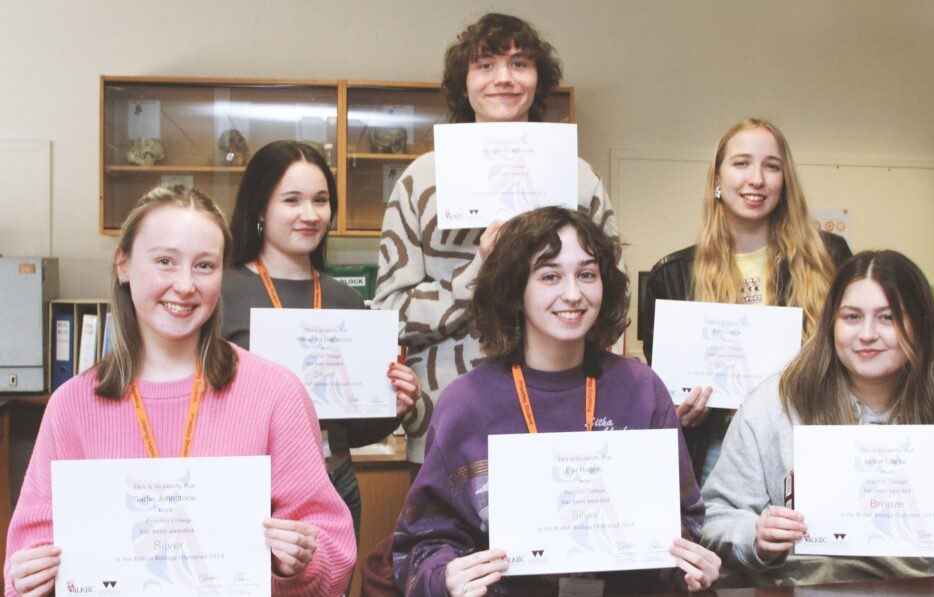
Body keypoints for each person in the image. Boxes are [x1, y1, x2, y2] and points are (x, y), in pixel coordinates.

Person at [4, 186, 355, 596]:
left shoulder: (276, 394)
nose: (186, 285)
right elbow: (29, 554)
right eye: (165, 262)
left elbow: (334, 553)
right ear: (123, 264)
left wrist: (298, 562)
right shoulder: (72, 405)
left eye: (204, 266)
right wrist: (29, 581)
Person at [392, 207, 720, 596]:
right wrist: (444, 577)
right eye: (550, 276)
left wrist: (690, 567)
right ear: (515, 290)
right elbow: (420, 543)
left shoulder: (641, 389)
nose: (573, 294)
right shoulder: (466, 403)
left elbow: (684, 520)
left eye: (587, 274)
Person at [373, 13, 620, 469]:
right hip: (448, 426)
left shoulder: (579, 180)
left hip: (566, 426)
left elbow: (612, 305)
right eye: (485, 65)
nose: (503, 78)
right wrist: (477, 273)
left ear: (538, 81)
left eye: (519, 63)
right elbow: (388, 317)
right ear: (463, 84)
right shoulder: (420, 181)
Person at [700, 250, 934, 585]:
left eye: (888, 318)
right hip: (804, 588)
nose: (867, 334)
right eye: (852, 317)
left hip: (921, 589)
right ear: (831, 323)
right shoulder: (774, 405)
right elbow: (714, 521)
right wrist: (755, 536)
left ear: (921, 325)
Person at [222, 140, 421, 542]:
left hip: (335, 484)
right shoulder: (223, 292)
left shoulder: (346, 300)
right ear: (260, 208)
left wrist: (394, 406)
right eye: (291, 200)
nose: (310, 215)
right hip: (253, 494)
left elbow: (353, 428)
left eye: (320, 200)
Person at [640, 118, 852, 483]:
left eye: (772, 166)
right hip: (716, 451)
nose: (756, 179)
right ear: (717, 179)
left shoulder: (829, 257)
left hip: (809, 445)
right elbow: (662, 393)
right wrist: (679, 412)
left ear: (785, 181)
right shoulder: (672, 275)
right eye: (741, 163)